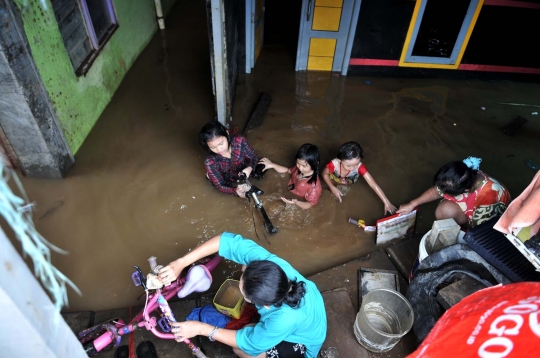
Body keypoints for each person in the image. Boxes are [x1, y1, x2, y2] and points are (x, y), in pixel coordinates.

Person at [158, 232, 327, 358]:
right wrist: (180, 263)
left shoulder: (283, 319)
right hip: (306, 317)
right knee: (246, 329)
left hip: (303, 342)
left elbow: (250, 344)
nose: (242, 269)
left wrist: (201, 329)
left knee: (239, 349)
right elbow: (226, 241)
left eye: (245, 294)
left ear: (265, 305)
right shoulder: (270, 266)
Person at [397, 157, 511, 228]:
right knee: (444, 210)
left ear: (466, 191)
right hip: (471, 210)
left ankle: (459, 229)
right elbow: (436, 191)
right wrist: (412, 203)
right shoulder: (463, 174)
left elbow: (481, 232)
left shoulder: (490, 199)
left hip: (485, 224)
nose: (441, 192)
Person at [321, 141, 396, 214]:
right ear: (339, 160)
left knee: (345, 188)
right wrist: (332, 187)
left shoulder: (360, 167)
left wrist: (387, 203)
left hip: (350, 179)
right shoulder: (334, 164)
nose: (352, 168)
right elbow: (324, 174)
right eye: (348, 165)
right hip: (335, 177)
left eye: (356, 164)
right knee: (330, 184)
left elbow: (373, 184)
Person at [199, 121, 258, 197]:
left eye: (221, 144)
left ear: (227, 133)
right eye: (213, 147)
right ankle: (209, 175)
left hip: (244, 172)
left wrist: (250, 168)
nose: (219, 149)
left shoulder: (239, 141)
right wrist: (235, 191)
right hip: (228, 181)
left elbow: (253, 157)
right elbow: (220, 186)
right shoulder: (210, 161)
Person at [258, 144, 322, 210]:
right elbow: (288, 170)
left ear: (315, 164)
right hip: (289, 189)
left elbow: (310, 204)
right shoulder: (299, 169)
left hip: (296, 199)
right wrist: (271, 164)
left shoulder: (314, 186)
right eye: (298, 163)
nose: (299, 167)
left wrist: (296, 202)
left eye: (304, 166)